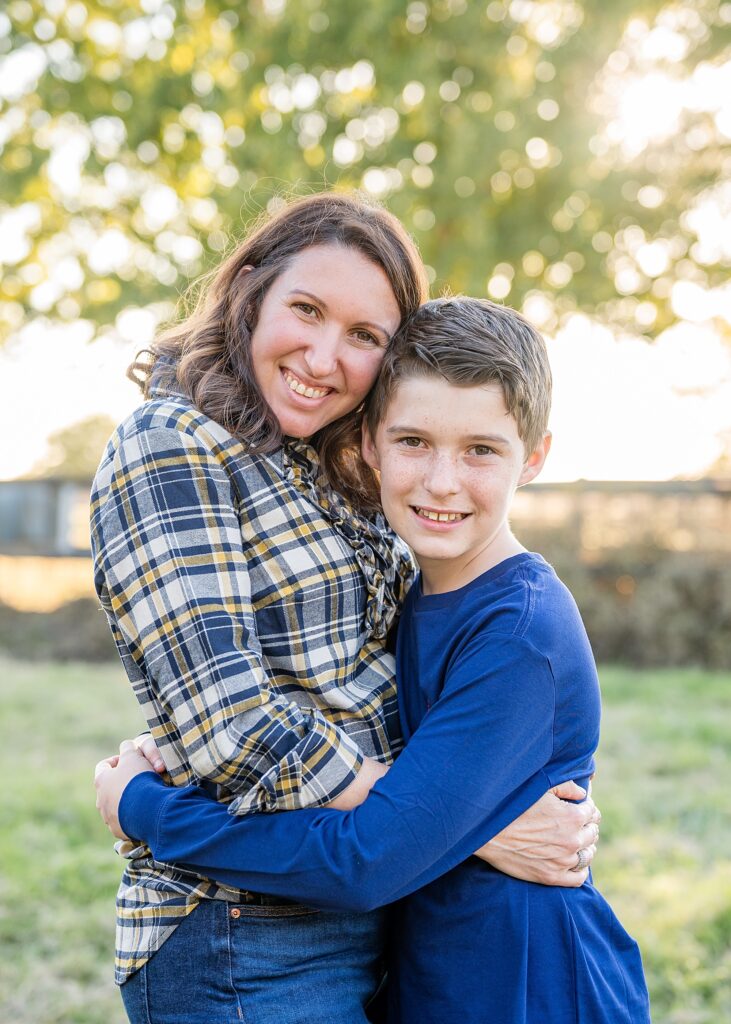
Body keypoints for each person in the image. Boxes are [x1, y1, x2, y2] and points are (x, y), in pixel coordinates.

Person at [91, 193, 601, 1024]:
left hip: (377, 917)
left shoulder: (337, 473)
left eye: (364, 336)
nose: (324, 356)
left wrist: (452, 815)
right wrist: (469, 826)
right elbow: (234, 732)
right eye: (306, 309)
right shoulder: (171, 443)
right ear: (249, 291)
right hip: (242, 929)